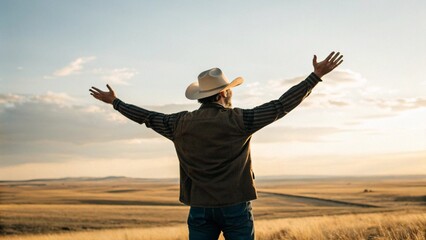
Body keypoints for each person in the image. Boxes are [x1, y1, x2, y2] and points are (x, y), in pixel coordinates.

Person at [90, 52, 343, 240]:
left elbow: (146, 117)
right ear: (223, 94)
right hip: (235, 206)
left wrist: (116, 102)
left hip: (199, 208)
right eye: (229, 91)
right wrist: (315, 77)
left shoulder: (178, 123)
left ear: (202, 97)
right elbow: (280, 106)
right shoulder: (240, 120)